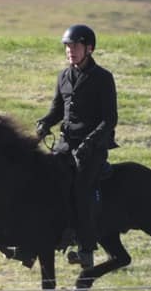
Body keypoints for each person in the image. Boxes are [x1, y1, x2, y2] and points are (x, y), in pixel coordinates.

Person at [35, 24, 118, 270]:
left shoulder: (103, 78)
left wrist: (90, 142)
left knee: (81, 188)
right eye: (67, 46)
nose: (70, 50)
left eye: (75, 46)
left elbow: (109, 119)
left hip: (93, 147)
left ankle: (86, 249)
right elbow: (57, 109)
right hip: (66, 144)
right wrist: (44, 124)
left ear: (89, 48)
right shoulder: (63, 76)